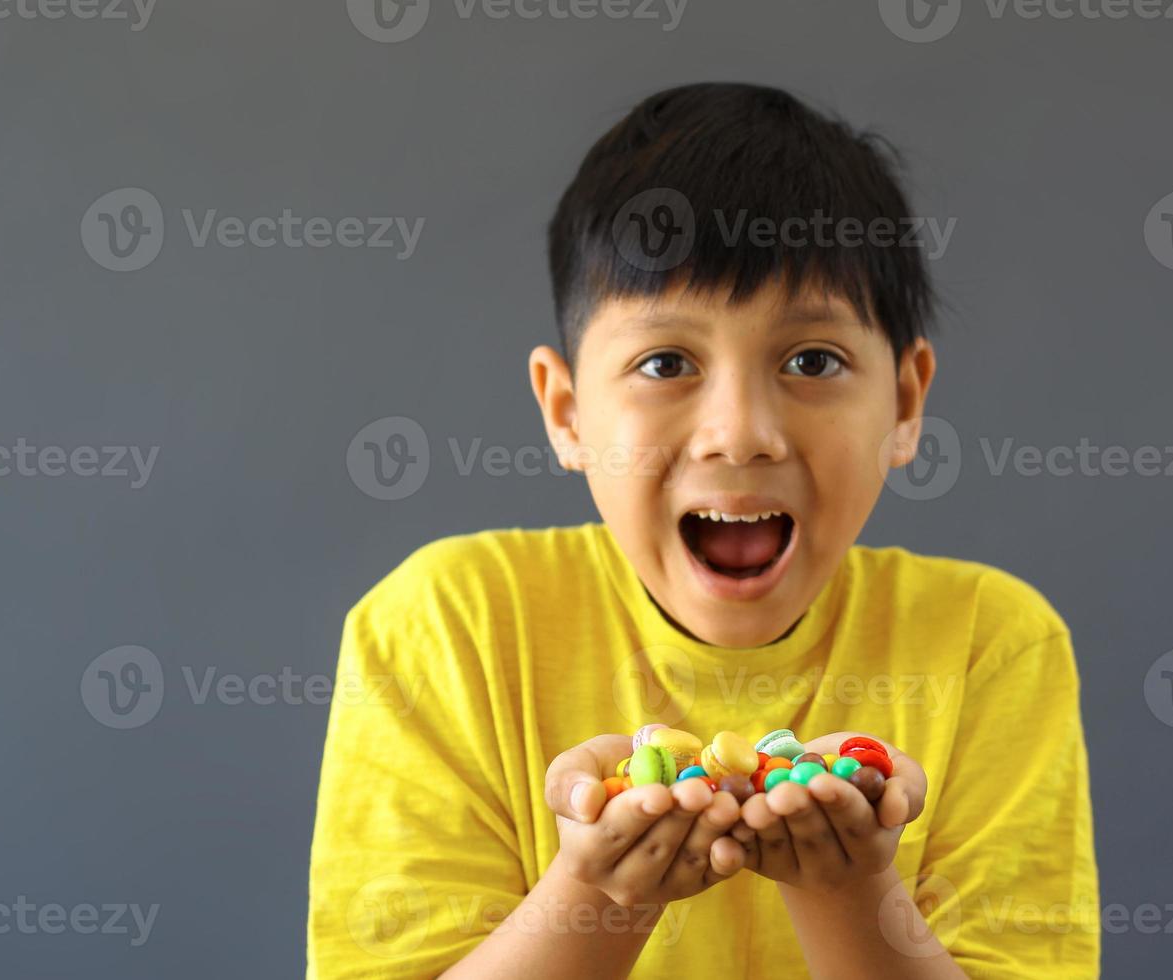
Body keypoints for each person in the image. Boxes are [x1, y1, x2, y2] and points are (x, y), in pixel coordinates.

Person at [307, 81, 1099, 979]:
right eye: (666, 362)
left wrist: (849, 892)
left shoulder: (990, 646)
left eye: (812, 360)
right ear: (567, 412)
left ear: (907, 403)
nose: (741, 434)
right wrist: (598, 897)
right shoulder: (444, 630)